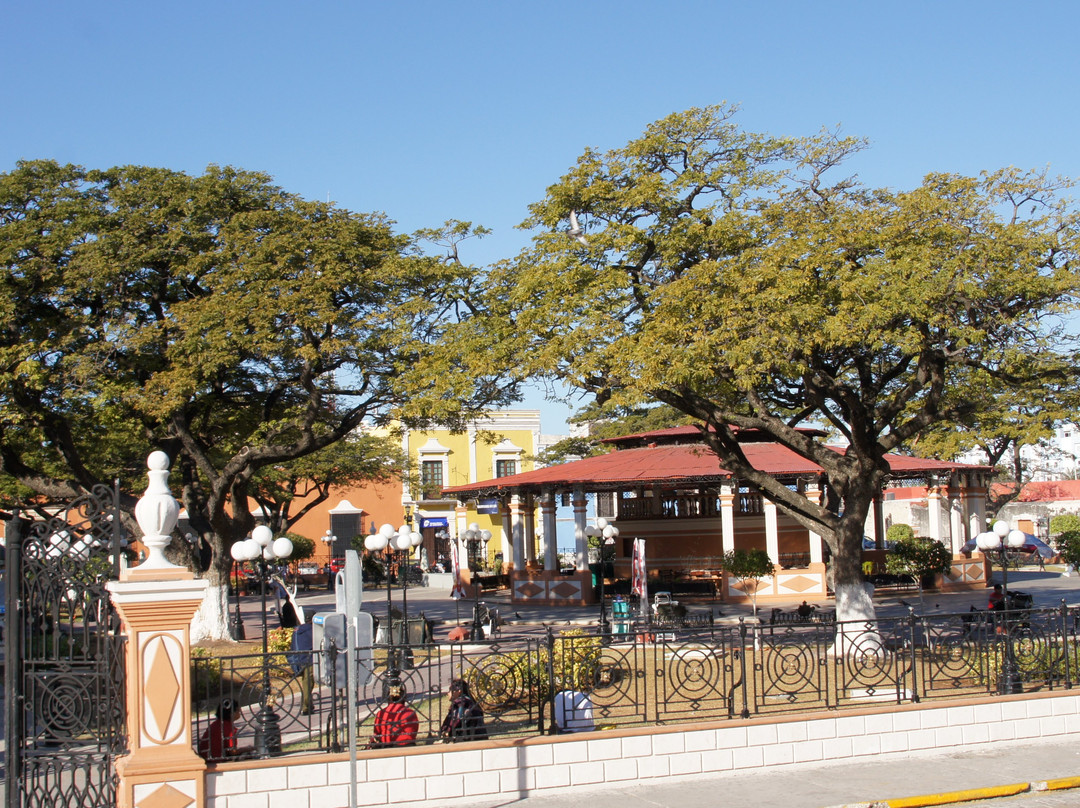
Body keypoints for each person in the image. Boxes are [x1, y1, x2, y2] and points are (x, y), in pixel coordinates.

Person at [369, 683, 419, 748]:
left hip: (387, 747)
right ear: (404, 698)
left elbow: (377, 733)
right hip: (407, 746)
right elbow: (413, 731)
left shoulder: (381, 713)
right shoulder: (410, 713)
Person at [287, 615, 314, 715]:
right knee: (308, 683)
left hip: (297, 659)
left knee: (305, 682)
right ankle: (306, 707)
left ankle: (309, 704)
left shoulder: (297, 630)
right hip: (308, 659)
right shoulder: (311, 630)